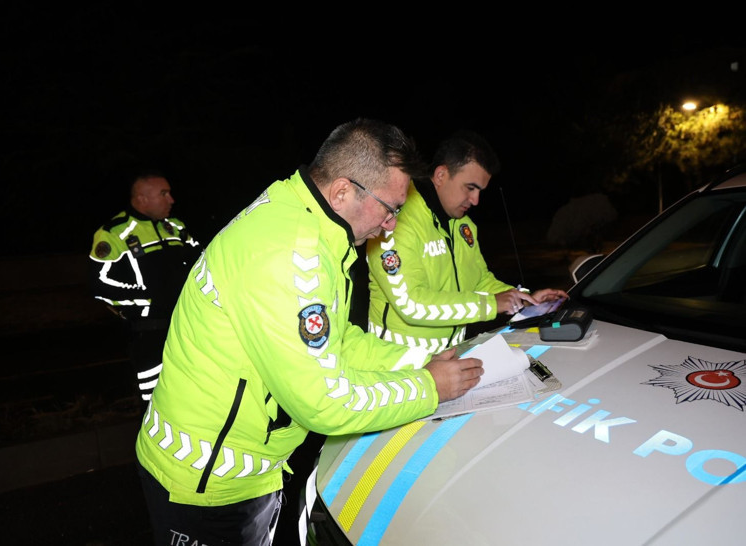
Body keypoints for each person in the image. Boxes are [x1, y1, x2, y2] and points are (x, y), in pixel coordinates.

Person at [135, 118, 485, 546]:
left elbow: (337, 340)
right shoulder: (290, 253)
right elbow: (325, 403)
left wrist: (418, 362)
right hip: (207, 484)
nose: (392, 224)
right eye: (391, 208)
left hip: (247, 468)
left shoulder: (311, 222)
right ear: (342, 192)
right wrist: (429, 388)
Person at [365, 130, 569, 352]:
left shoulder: (464, 226)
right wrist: (492, 304)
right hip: (396, 362)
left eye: (480, 191)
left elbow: (479, 281)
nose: (475, 200)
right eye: (470, 188)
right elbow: (411, 304)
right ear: (441, 175)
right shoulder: (395, 221)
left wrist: (525, 300)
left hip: (450, 357)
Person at [88, 170, 202, 406]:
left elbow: (203, 265)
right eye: (164, 193)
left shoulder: (176, 227)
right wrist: (149, 301)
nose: (171, 200)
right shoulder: (114, 233)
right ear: (142, 198)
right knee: (157, 403)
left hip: (191, 328)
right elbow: (100, 285)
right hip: (150, 334)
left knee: (197, 398)